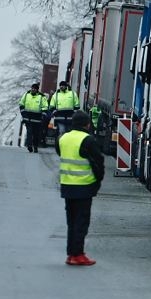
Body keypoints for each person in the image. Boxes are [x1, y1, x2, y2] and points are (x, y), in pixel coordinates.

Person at [56, 110, 105, 266]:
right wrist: (97, 181)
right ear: (87, 124)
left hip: (67, 186)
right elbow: (98, 163)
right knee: (81, 222)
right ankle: (78, 254)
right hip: (83, 187)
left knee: (71, 222)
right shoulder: (88, 140)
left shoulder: (62, 139)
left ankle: (71, 254)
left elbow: (60, 153)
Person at [19, 83, 49, 152]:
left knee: (36, 134)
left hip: (37, 119)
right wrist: (23, 114)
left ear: (37, 90)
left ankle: (35, 146)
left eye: (34, 89)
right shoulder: (26, 95)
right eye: (32, 88)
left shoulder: (42, 97)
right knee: (29, 132)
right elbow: (21, 104)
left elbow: (45, 107)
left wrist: (43, 116)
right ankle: (29, 145)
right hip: (28, 118)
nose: (33, 89)